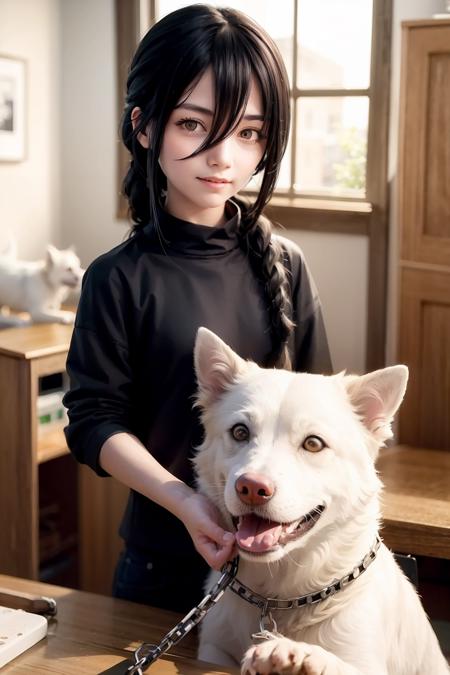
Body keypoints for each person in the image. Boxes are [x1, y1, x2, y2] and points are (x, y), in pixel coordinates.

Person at [63, 3, 332, 614]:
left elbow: (324, 416)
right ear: (143, 126)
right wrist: (186, 501)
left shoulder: (286, 264)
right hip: (160, 563)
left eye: (250, 133)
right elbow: (92, 421)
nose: (224, 157)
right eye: (194, 124)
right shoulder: (117, 277)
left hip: (279, 561)